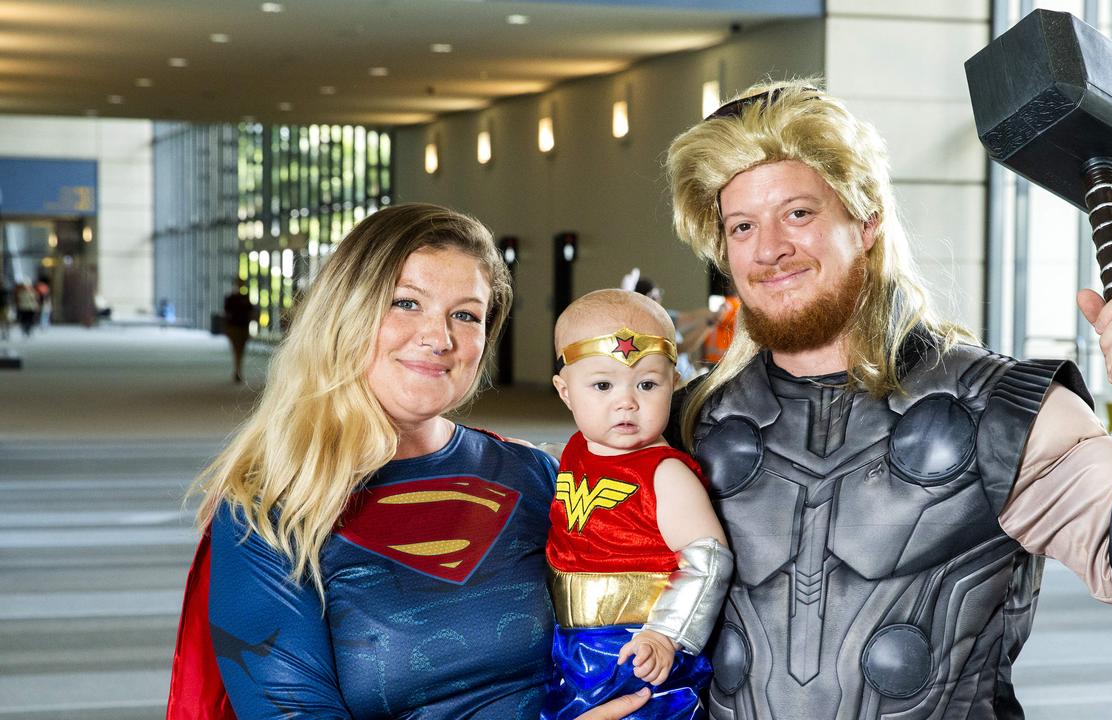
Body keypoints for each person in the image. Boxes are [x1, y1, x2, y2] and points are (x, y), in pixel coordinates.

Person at [663, 81, 1112, 719]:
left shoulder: (1003, 412)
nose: (769, 249)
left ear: (867, 218)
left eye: (799, 213)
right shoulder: (689, 425)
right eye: (742, 227)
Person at [166, 204, 650, 720]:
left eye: (465, 315)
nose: (439, 338)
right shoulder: (271, 511)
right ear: (344, 314)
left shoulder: (537, 477)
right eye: (406, 303)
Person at [544, 289, 732, 719]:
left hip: (637, 645)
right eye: (603, 385)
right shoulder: (574, 450)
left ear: (674, 384)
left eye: (647, 384)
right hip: (573, 645)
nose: (626, 401)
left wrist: (667, 634)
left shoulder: (665, 474)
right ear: (565, 391)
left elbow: (710, 559)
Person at [222, 279, 255, 383]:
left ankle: (238, 370)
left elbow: (251, 314)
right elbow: (226, 314)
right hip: (234, 327)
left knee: (241, 350)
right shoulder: (230, 298)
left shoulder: (245, 298)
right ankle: (237, 370)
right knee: (237, 350)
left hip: (243, 327)